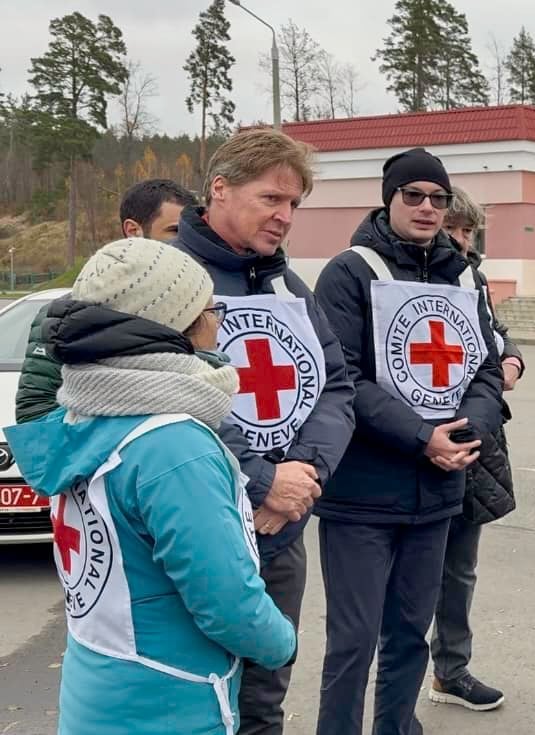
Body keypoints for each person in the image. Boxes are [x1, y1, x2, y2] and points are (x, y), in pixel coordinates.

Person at [3, 238, 296, 735]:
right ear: (177, 326)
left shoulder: (81, 417)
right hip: (171, 706)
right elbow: (227, 601)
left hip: (96, 694)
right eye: (210, 309)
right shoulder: (175, 446)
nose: (218, 322)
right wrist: (281, 641)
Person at [312, 148, 506, 735]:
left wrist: (463, 434)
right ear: (388, 199)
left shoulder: (464, 274)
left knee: (409, 637)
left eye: (438, 198)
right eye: (413, 195)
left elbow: (487, 370)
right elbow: (340, 374)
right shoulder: (349, 271)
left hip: (438, 493)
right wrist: (422, 437)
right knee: (353, 641)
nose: (427, 208)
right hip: (362, 496)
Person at [174, 129, 356, 735]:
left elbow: (335, 388)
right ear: (219, 189)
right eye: (272, 198)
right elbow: (164, 399)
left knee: (262, 705)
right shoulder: (171, 281)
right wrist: (259, 481)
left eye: (295, 204)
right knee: (193, 701)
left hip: (281, 534)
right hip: (199, 532)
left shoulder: (289, 287)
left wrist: (302, 480)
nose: (285, 216)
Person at [427, 186, 523, 711]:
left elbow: (498, 337)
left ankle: (451, 669)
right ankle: (397, 673)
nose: (461, 240)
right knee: (413, 570)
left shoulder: (474, 281)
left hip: (473, 442)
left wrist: (511, 360)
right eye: (454, 229)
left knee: (460, 566)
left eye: (468, 231)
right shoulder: (400, 279)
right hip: (418, 444)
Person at [15, 178, 198, 424]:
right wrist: (122, 441)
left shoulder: (198, 311)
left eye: (190, 233)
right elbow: (35, 415)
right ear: (134, 230)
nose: (185, 243)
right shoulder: (67, 315)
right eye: (174, 231)